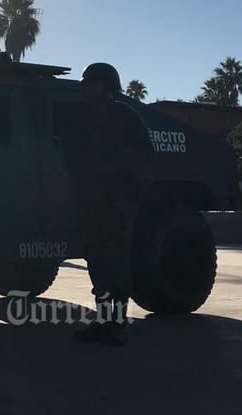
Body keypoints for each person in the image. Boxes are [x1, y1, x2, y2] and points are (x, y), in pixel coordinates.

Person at [73, 62, 154, 346]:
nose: (86, 88)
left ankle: (116, 324)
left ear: (106, 86)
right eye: (86, 83)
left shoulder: (125, 116)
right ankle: (103, 319)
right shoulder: (83, 117)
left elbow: (143, 152)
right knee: (96, 260)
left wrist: (118, 172)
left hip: (116, 199)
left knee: (115, 261)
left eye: (92, 83)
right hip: (92, 198)